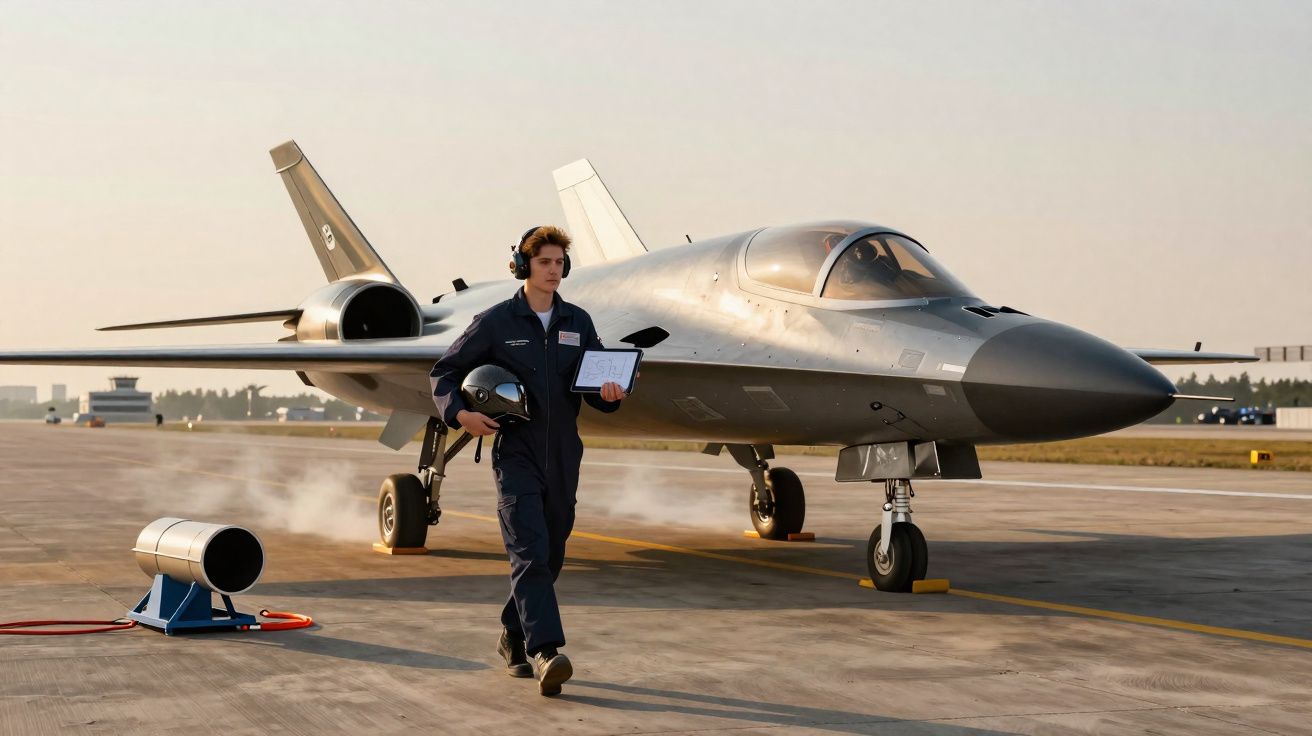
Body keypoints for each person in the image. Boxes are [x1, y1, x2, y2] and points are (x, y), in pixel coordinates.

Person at [429, 225, 628, 697]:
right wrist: (461, 413)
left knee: (552, 552)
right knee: (529, 551)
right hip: (515, 451)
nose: (553, 271)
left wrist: (611, 394)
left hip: (564, 453)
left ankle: (512, 633)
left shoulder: (578, 323)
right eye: (544, 263)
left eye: (560, 263)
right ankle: (546, 651)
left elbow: (594, 387)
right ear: (523, 265)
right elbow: (445, 371)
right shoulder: (496, 321)